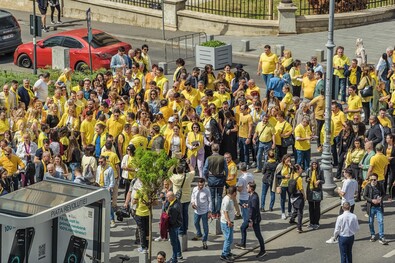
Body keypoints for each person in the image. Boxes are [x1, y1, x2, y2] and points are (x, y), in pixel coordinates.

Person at [203, 143, 228, 219]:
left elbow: (205, 170)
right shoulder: (222, 158)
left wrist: (207, 178)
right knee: (219, 196)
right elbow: (226, 170)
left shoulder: (209, 158)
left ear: (211, 149)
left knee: (212, 197)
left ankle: (213, 213)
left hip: (211, 179)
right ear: (218, 149)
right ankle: (218, 213)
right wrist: (225, 177)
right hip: (220, 179)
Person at [170, 160, 195, 236]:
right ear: (184, 170)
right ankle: (185, 229)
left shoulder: (174, 177)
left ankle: (180, 231)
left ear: (177, 171)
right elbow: (193, 170)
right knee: (185, 214)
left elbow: (169, 172)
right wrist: (189, 163)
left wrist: (174, 163)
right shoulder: (187, 176)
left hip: (178, 199)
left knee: (179, 215)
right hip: (187, 198)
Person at [363, 173, 389, 245]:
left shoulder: (380, 185)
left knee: (380, 221)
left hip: (379, 206)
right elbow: (364, 196)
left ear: (377, 179)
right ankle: (373, 234)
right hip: (371, 207)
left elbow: (384, 193)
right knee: (371, 222)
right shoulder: (368, 186)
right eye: (371, 179)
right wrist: (371, 200)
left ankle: (381, 237)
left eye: (374, 180)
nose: (373, 181)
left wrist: (381, 198)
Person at [235, 162, 254, 250]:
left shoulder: (242, 179)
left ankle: (246, 224)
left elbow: (240, 189)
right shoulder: (250, 175)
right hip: (249, 196)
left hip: (243, 197)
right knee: (248, 212)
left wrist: (237, 186)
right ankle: (247, 223)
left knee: (245, 213)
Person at [245, 182, 267, 258]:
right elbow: (251, 206)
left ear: (251, 189)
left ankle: (263, 250)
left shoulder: (254, 197)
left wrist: (250, 220)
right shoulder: (251, 195)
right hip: (252, 218)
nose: (246, 188)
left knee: (258, 235)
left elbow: (253, 210)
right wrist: (247, 205)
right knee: (243, 228)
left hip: (255, 219)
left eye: (247, 187)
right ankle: (242, 243)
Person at [191, 177, 211, 250]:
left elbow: (210, 201)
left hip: (204, 211)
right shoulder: (195, 189)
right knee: (196, 222)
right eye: (199, 185)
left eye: (202, 185)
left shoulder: (206, 190)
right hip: (196, 210)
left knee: (205, 226)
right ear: (197, 184)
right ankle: (199, 233)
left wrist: (209, 211)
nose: (201, 187)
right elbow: (192, 197)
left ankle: (204, 240)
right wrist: (193, 203)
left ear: (204, 184)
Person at [96, 155, 115, 227]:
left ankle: (112, 219)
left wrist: (110, 188)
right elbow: (97, 177)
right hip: (99, 187)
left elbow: (112, 180)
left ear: (105, 161)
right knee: (100, 204)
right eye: (99, 162)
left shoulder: (109, 169)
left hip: (106, 188)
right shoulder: (98, 168)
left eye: (101, 162)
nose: (100, 163)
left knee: (108, 204)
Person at [305, 159, 325, 230]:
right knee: (310, 208)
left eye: (315, 164)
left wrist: (319, 181)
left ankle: (316, 223)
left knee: (316, 207)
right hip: (310, 191)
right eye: (313, 164)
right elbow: (306, 178)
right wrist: (308, 180)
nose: (314, 166)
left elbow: (323, 181)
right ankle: (311, 222)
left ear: (317, 165)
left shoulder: (320, 170)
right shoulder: (308, 170)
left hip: (317, 191)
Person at [220, 186, 237, 262]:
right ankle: (224, 254)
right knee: (228, 239)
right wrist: (229, 221)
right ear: (234, 193)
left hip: (229, 222)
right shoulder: (226, 200)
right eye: (236, 193)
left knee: (230, 238)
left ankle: (228, 252)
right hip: (226, 222)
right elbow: (225, 212)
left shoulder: (230, 198)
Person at [167, 191, 183, 263]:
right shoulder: (175, 202)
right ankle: (179, 254)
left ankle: (174, 258)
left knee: (174, 242)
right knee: (176, 240)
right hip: (177, 224)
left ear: (171, 197)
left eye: (168, 197)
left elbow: (172, 220)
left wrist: (166, 223)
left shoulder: (175, 207)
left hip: (174, 226)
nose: (167, 198)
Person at [288, 164, 305, 233]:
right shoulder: (299, 178)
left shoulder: (292, 175)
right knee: (300, 212)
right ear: (298, 170)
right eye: (300, 168)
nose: (302, 170)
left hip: (292, 196)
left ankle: (292, 220)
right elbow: (301, 189)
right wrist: (304, 196)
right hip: (298, 197)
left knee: (295, 209)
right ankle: (299, 227)